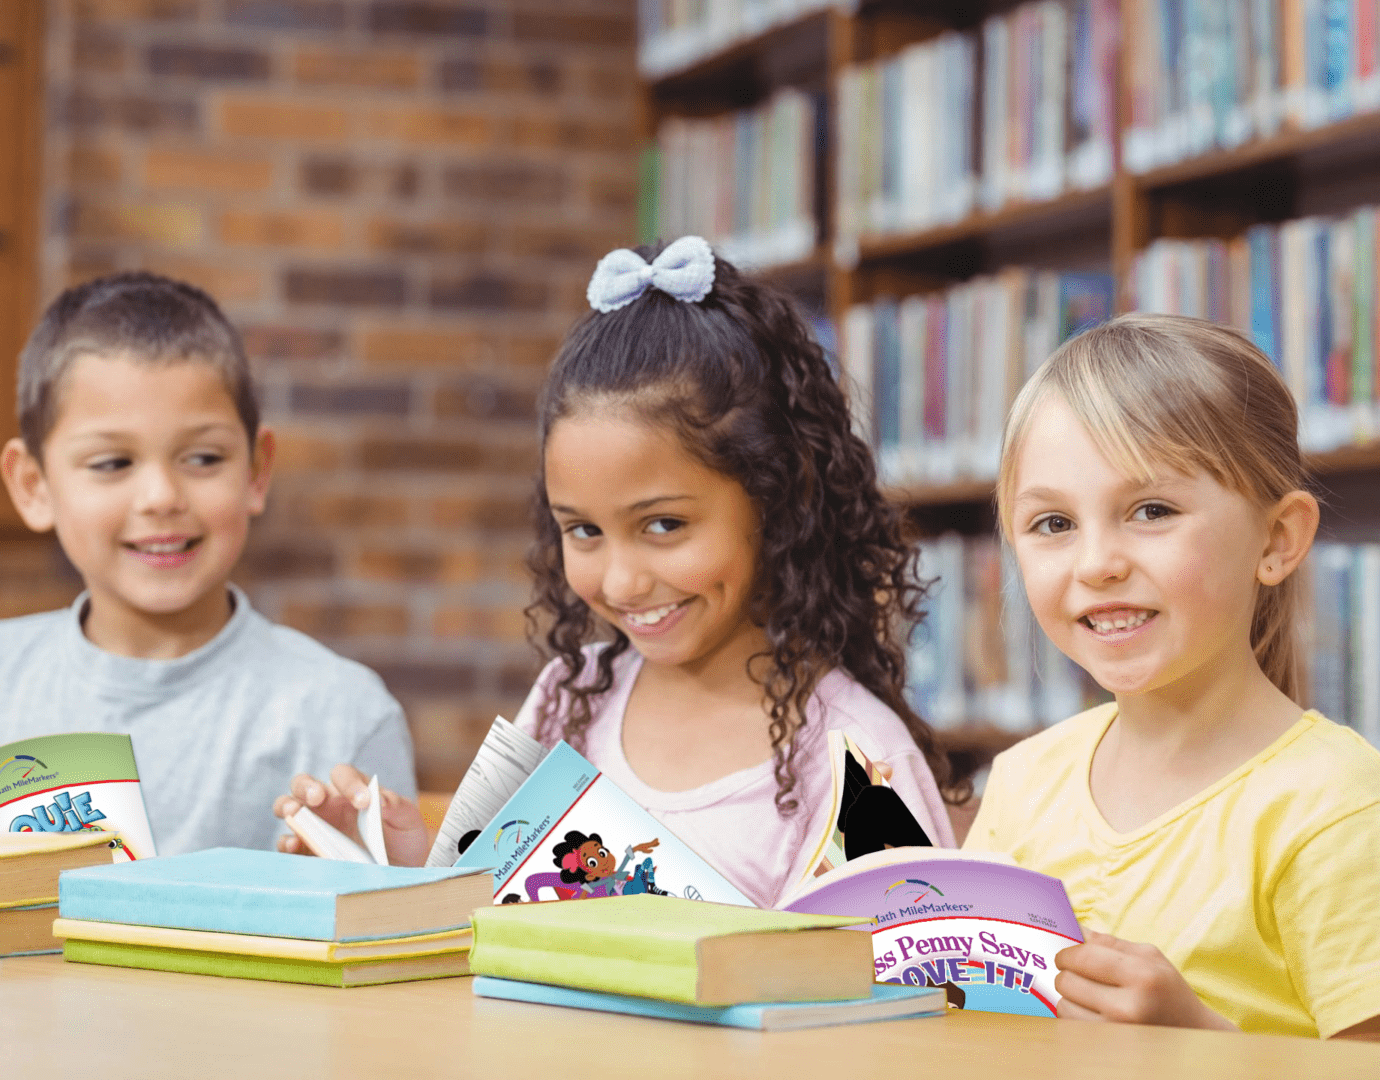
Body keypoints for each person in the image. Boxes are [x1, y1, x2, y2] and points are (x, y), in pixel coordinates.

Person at [275, 236, 959, 906]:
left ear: (778, 500)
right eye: (584, 531)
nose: (624, 581)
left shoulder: (858, 759)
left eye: (664, 525)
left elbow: (907, 996)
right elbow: (489, 917)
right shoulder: (567, 701)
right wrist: (403, 862)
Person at [967, 312, 1380, 1042]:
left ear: (1278, 540)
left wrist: (1198, 1038)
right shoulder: (1023, 783)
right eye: (1053, 524)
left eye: (1151, 510)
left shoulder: (1335, 809)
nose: (1097, 563)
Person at [0, 271, 416, 854]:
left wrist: (360, 889)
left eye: (204, 457)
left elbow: (404, 930)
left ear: (257, 472)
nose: (161, 497)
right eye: (111, 464)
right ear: (33, 485)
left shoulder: (345, 711)